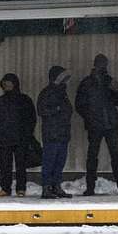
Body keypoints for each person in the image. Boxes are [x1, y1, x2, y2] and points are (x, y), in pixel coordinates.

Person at [75, 54, 118, 196]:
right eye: (101, 64)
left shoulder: (106, 81)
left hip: (108, 123)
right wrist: (90, 117)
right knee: (95, 156)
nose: (103, 67)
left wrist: (117, 90)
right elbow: (79, 105)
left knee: (113, 156)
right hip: (100, 123)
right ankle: (92, 187)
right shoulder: (87, 83)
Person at [0, 73, 36, 197]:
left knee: (21, 165)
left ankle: (21, 189)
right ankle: (5, 188)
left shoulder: (24, 100)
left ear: (15, 84)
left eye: (9, 83)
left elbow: (31, 118)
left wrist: (28, 134)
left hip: (21, 139)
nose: (7, 86)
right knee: (5, 166)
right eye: (5, 84)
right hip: (4, 139)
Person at [37, 66, 74, 199]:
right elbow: (41, 110)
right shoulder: (47, 92)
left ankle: (56, 186)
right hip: (51, 133)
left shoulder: (62, 93)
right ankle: (47, 187)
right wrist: (57, 109)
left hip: (63, 133)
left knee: (59, 162)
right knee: (49, 161)